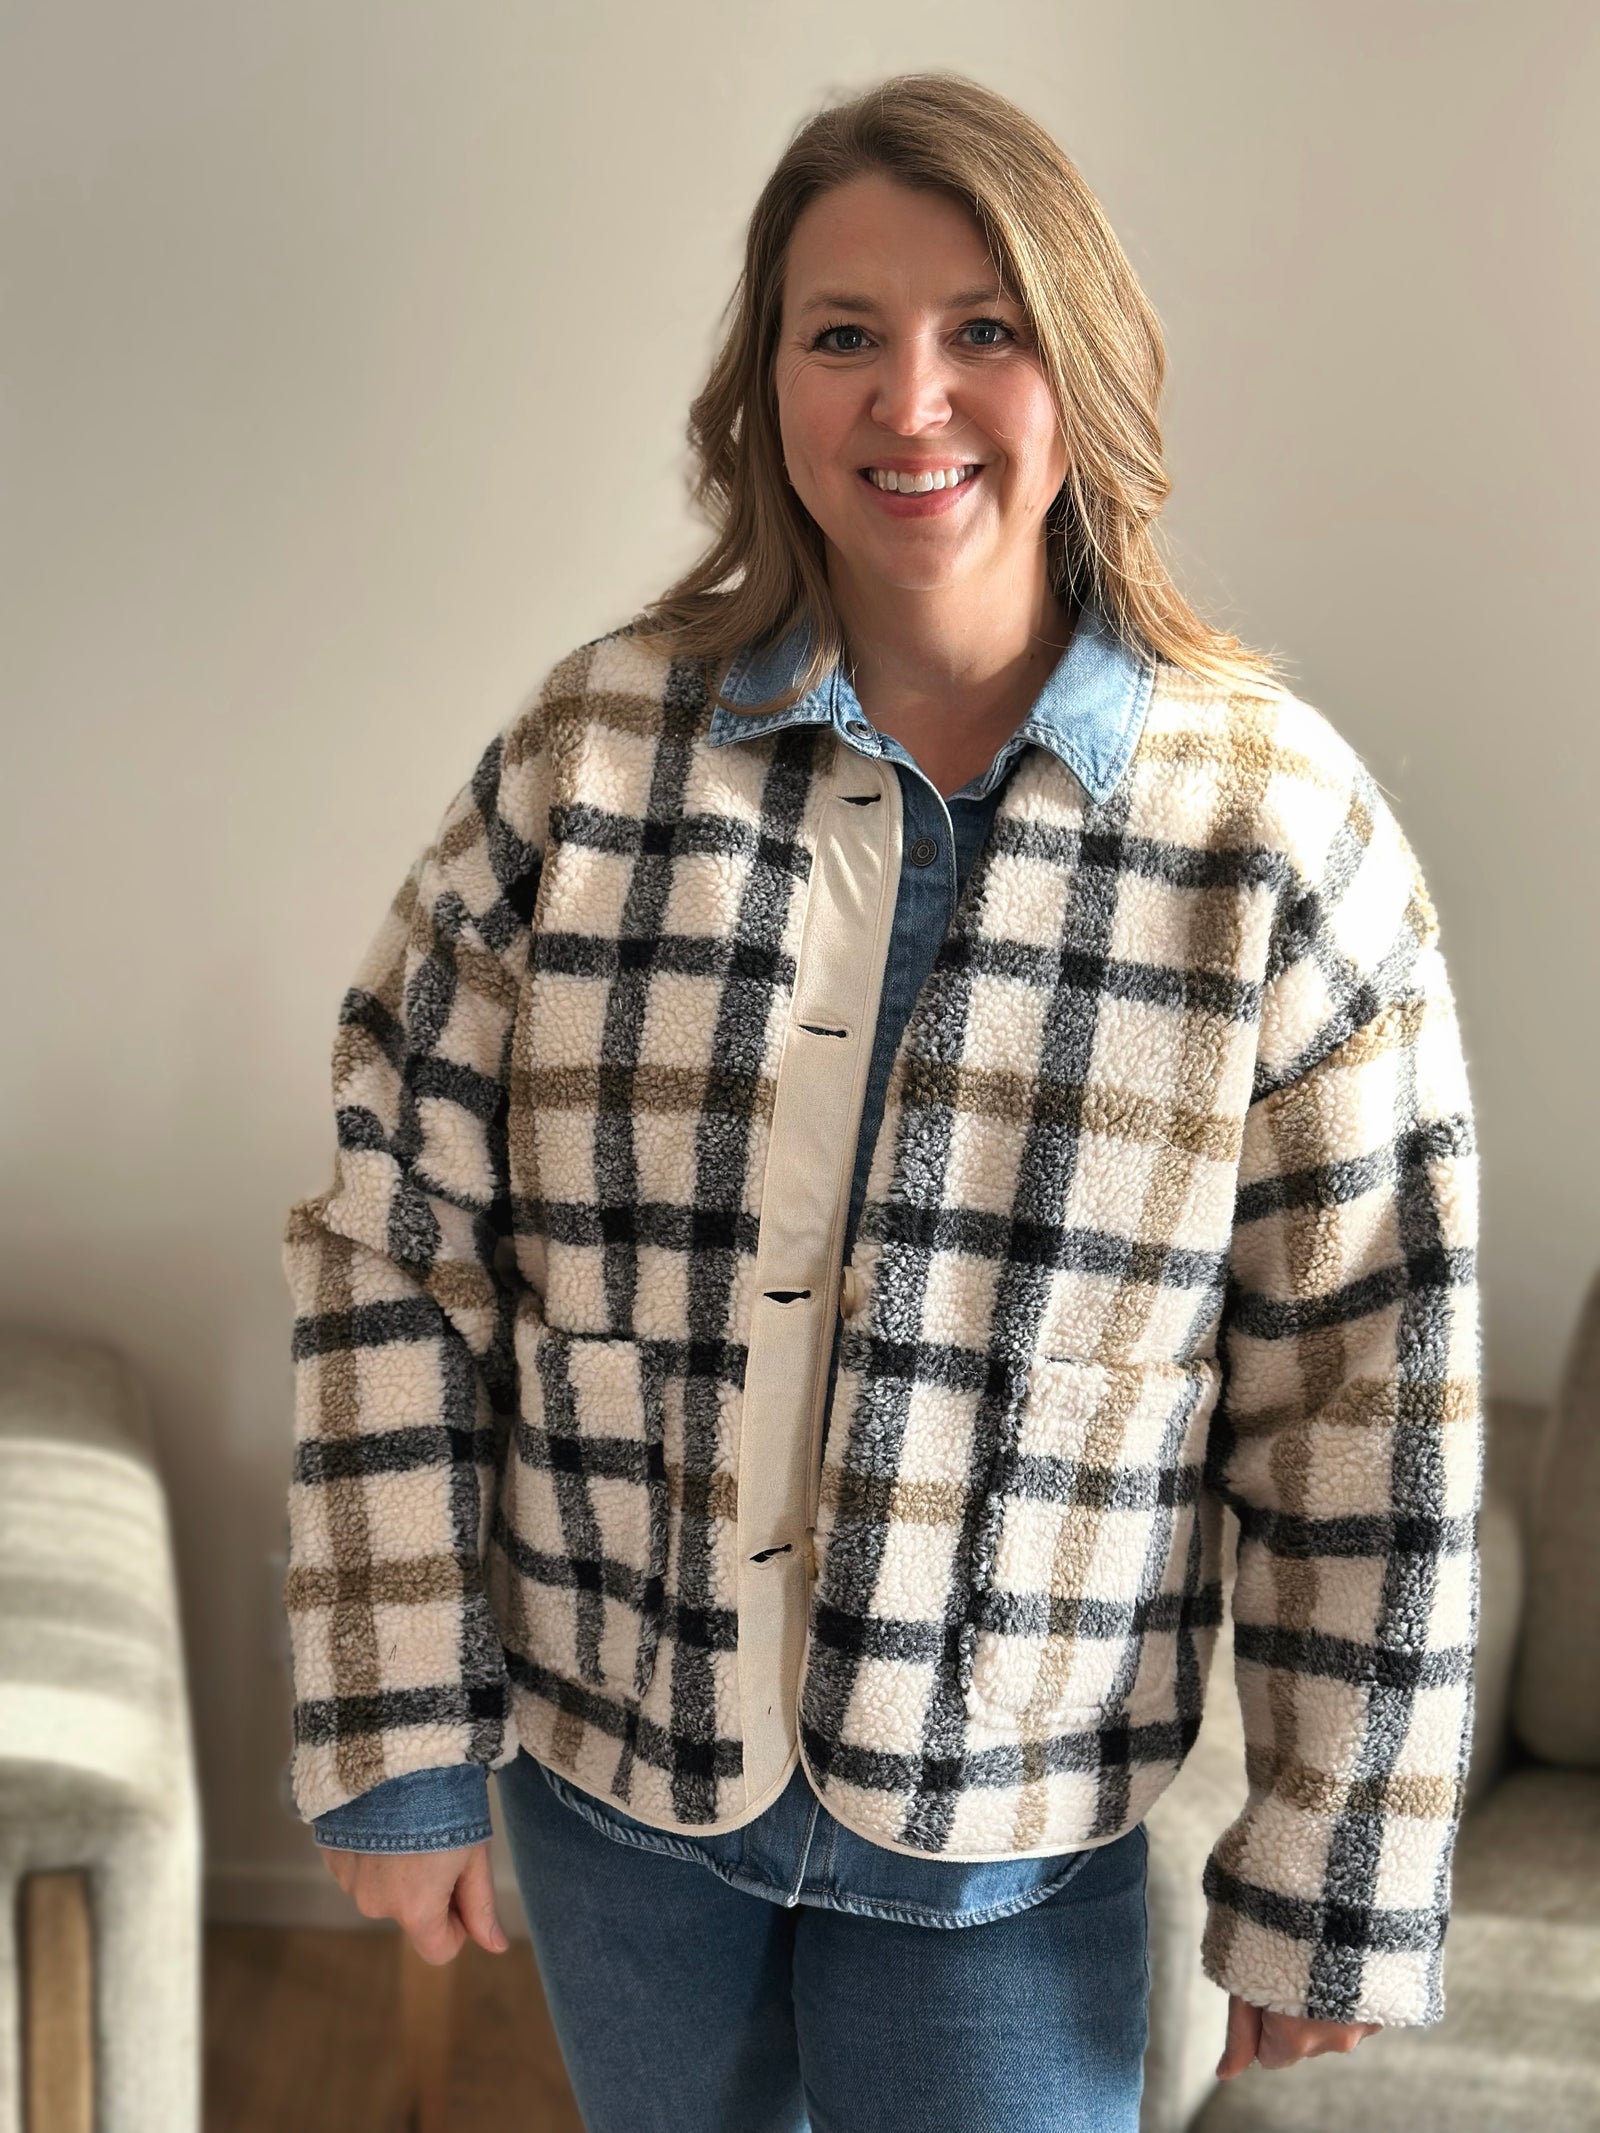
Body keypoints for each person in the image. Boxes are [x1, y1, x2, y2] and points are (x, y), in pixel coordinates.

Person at [281, 71, 1482, 2133]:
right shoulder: (589, 758)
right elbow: (394, 1233)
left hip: (1012, 1839)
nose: (906, 399)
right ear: (765, 381)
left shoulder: (1274, 832)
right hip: (613, 1784)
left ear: (1076, 366)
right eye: (841, 331)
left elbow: (1369, 1377)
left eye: (979, 329)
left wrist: (1331, 1862)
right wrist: (398, 1727)